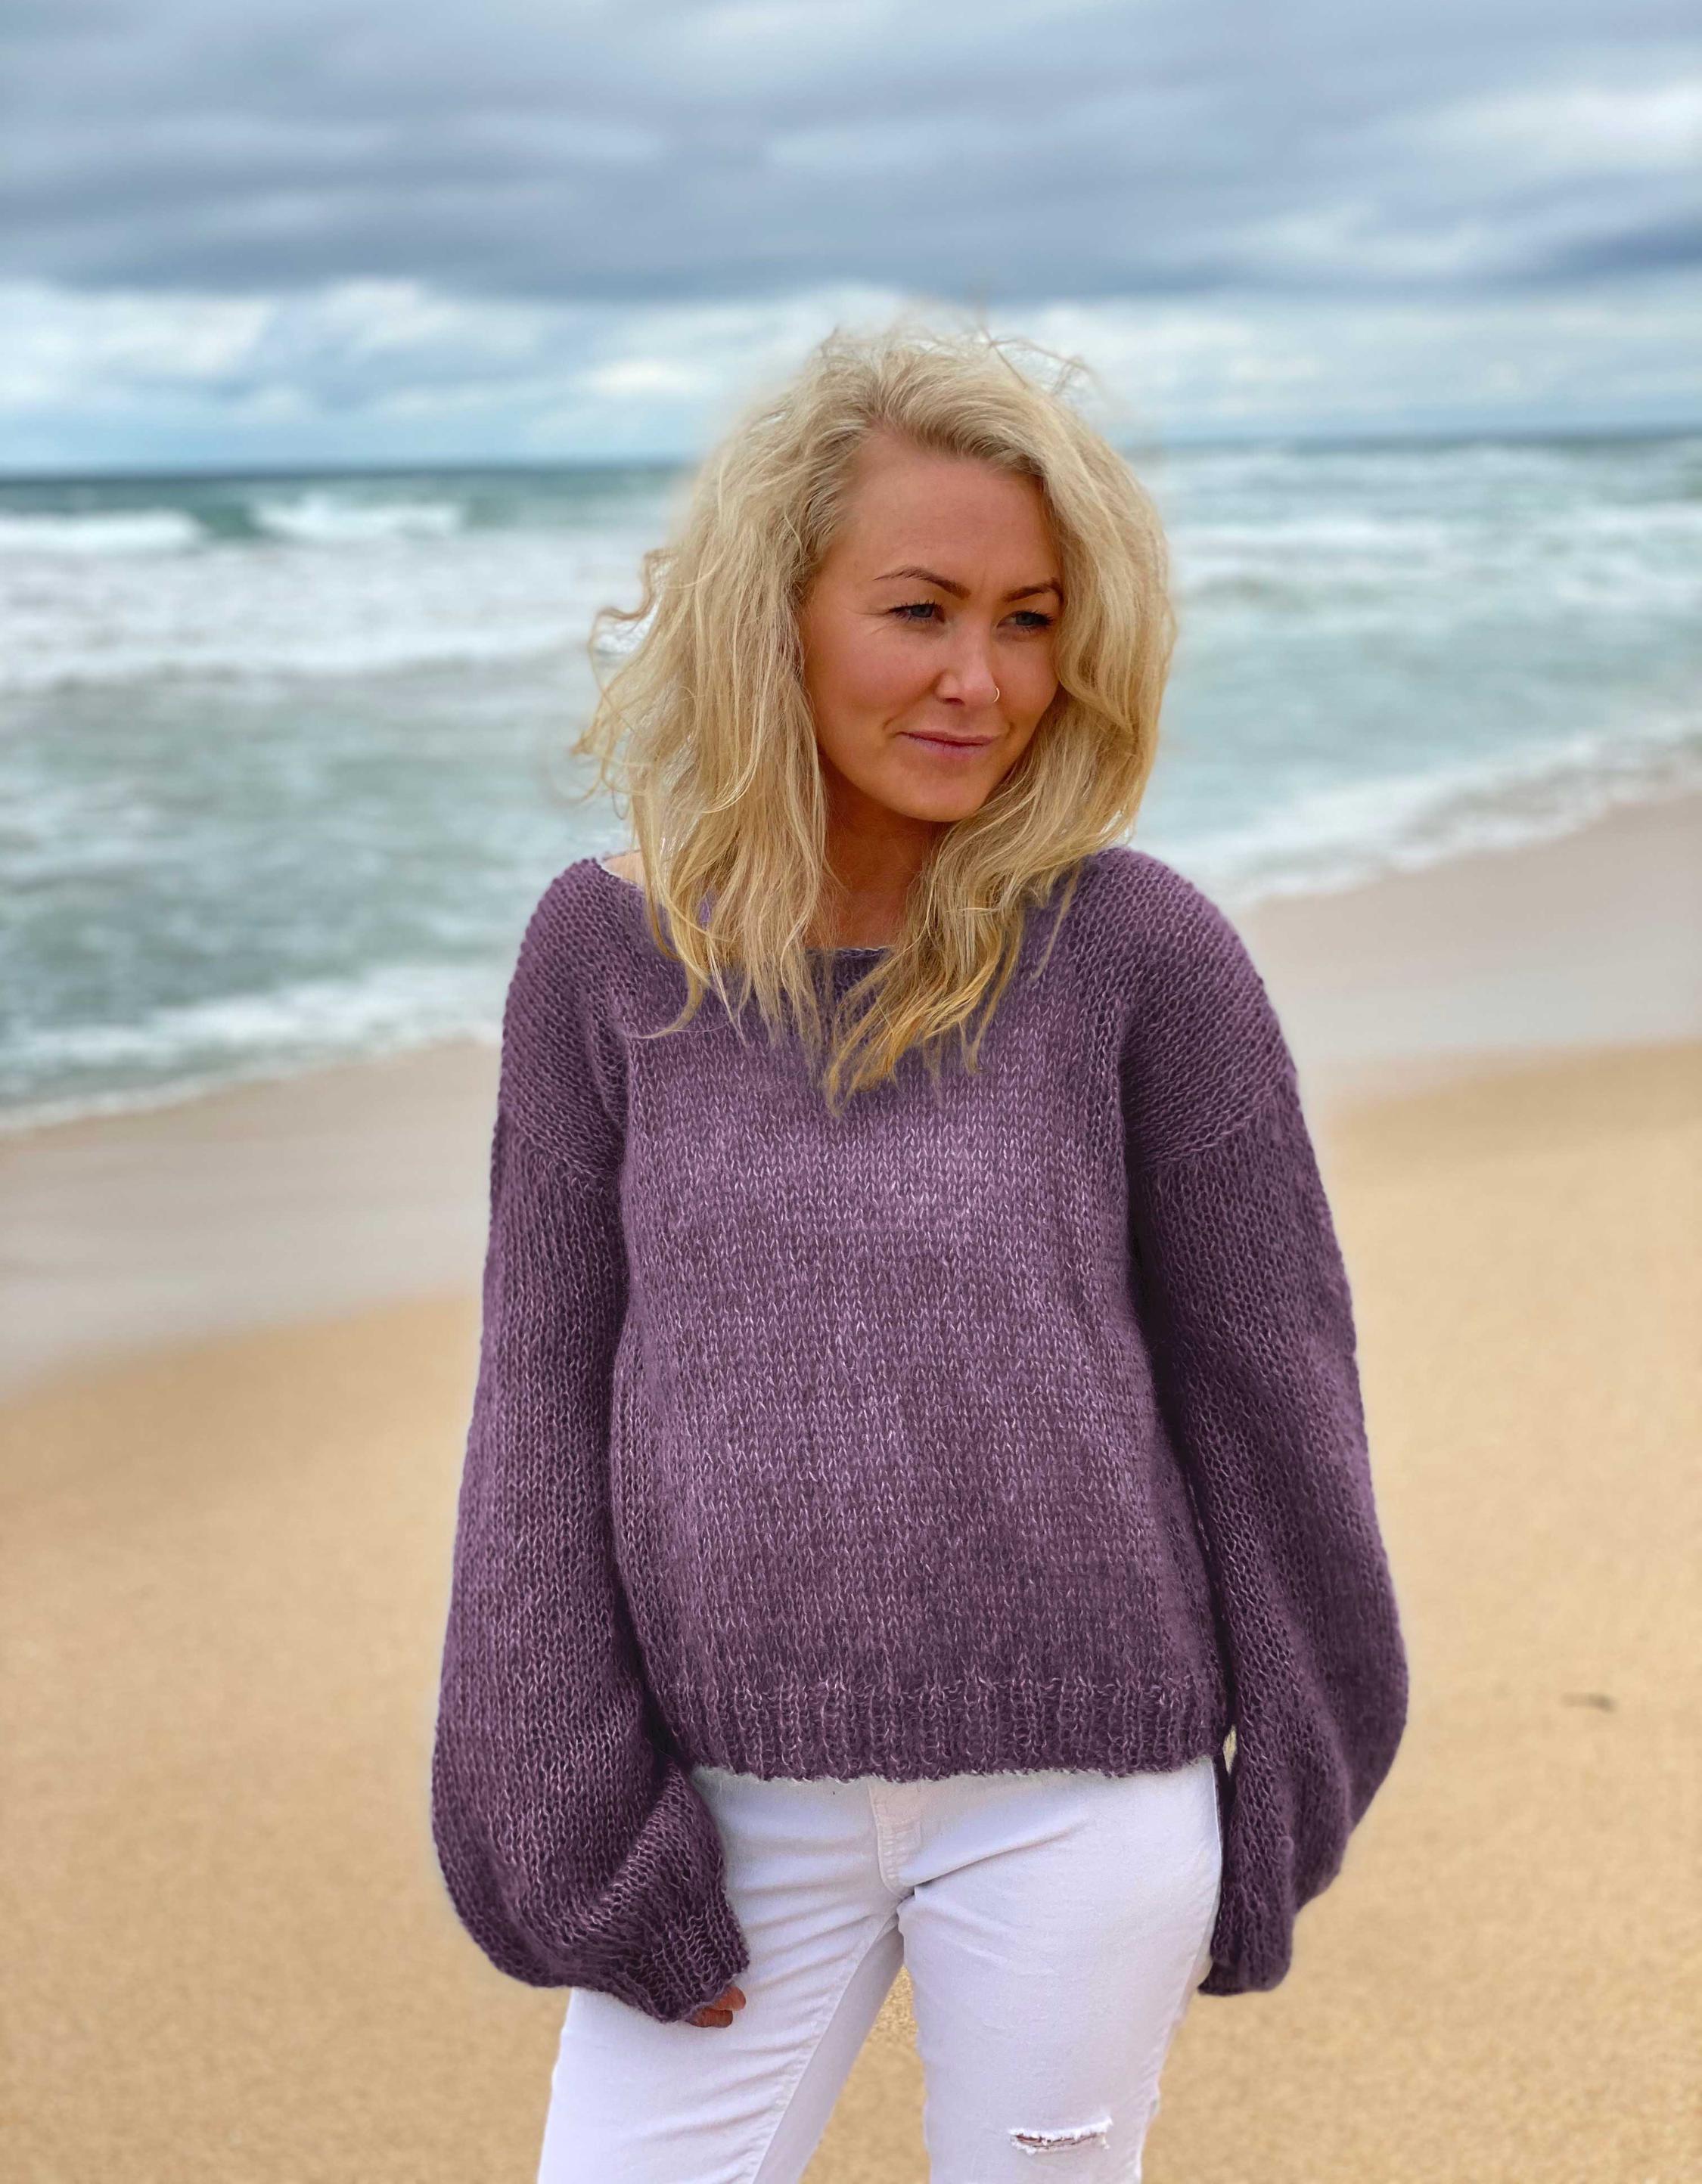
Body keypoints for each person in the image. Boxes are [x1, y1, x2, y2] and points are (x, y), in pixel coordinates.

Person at [428, 319, 1410, 2182]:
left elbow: (1276, 1389)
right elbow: (539, 1400)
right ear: (775, 618)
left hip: (1082, 1798)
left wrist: (1304, 1759)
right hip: (725, 1803)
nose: (983, 679)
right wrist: (564, 1797)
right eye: (921, 611)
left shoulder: (1139, 954)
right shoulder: (603, 959)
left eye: (1031, 621)